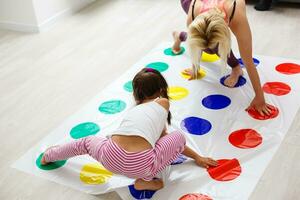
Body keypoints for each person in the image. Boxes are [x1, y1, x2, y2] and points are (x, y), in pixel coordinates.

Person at [41, 68, 218, 191]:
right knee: (178, 136)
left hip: (110, 157)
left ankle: (49, 156)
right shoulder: (163, 103)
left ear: (136, 94)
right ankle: (147, 181)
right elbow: (168, 140)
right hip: (142, 167)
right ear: (162, 90)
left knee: (85, 143)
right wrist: (197, 157)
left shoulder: (134, 110)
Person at [173, 0, 272, 116]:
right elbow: (195, 42)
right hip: (192, 4)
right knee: (207, 45)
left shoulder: (236, 14)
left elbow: (248, 61)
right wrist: (195, 68)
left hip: (227, 11)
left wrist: (259, 97)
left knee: (214, 47)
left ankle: (236, 68)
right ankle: (179, 35)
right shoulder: (192, 14)